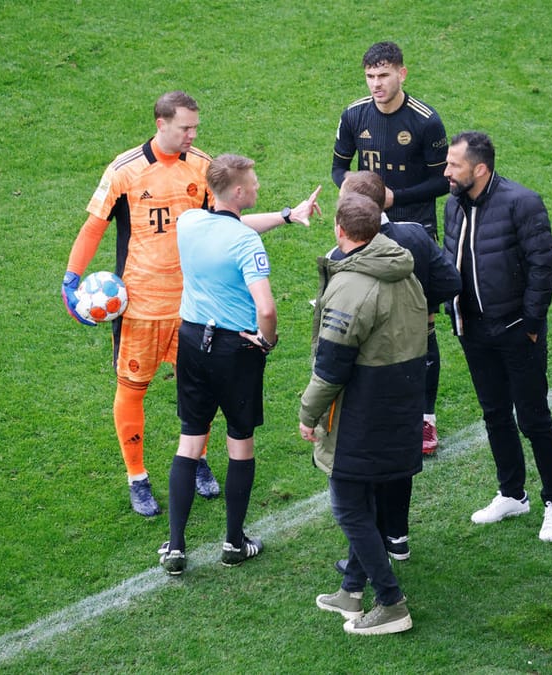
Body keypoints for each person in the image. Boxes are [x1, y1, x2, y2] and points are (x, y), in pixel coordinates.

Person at [61, 91, 320, 517]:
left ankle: (196, 459)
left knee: (199, 390)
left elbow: (229, 224)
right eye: (185, 127)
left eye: (195, 127)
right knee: (132, 389)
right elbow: (93, 228)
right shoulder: (125, 171)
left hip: (194, 310)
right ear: (160, 124)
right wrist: (71, 280)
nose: (192, 135)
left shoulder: (201, 165)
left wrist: (287, 215)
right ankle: (137, 477)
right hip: (139, 308)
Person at [300, 192, 427, 635]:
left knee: (349, 505)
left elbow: (332, 365)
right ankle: (352, 591)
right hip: (400, 403)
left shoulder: (352, 286)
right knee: (366, 497)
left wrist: (308, 413)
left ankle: (391, 603)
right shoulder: (402, 270)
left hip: (362, 412)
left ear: (339, 228)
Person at [441, 131, 552, 541]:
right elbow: (450, 260)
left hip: (517, 332)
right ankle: (512, 494)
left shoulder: (522, 203)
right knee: (495, 414)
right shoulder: (453, 205)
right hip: (474, 330)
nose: (446, 172)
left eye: (454, 165)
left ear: (479, 169)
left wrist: (530, 325)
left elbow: (544, 268)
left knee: (533, 417)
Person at [157, 154, 280, 575]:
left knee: (189, 441)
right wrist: (269, 340)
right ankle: (233, 541)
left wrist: (284, 216)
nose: (259, 186)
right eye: (255, 182)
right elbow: (265, 306)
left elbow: (229, 225)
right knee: (239, 441)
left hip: (191, 341)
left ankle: (174, 547)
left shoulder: (189, 223)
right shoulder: (246, 243)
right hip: (236, 349)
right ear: (240, 192)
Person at [332, 171, 459, 565]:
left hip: (369, 370)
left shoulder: (344, 254)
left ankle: (369, 552)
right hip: (415, 358)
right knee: (402, 448)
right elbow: (450, 281)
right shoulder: (416, 235)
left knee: (366, 455)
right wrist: (421, 312)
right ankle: (398, 537)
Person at [332, 40, 450, 454]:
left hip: (415, 229)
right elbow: (338, 167)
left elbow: (442, 181)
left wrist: (392, 198)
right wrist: (355, 197)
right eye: (370, 76)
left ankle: (426, 421)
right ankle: (372, 407)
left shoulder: (426, 122)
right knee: (367, 316)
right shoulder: (354, 114)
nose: (376, 84)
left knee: (423, 325)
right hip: (367, 229)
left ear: (402, 73)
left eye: (383, 75)